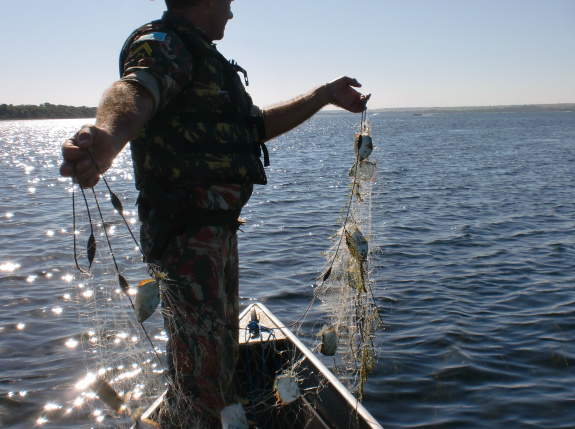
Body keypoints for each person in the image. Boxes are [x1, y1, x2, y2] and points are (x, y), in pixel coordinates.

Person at [59, 0, 369, 427]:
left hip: (216, 237)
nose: (231, 11)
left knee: (216, 366)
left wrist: (324, 95)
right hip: (187, 241)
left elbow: (253, 127)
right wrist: (107, 138)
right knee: (200, 381)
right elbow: (134, 92)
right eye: (227, 1)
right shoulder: (164, 46)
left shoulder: (203, 59)